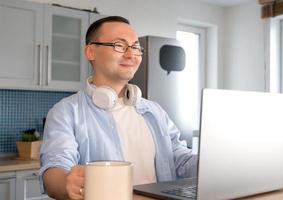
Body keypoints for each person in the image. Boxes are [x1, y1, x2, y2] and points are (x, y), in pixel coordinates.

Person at [39, 16, 197, 200]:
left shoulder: (155, 111)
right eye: (119, 45)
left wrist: (217, 163)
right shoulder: (65, 112)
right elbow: (54, 170)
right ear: (91, 51)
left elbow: (180, 160)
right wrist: (66, 181)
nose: (131, 55)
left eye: (136, 47)